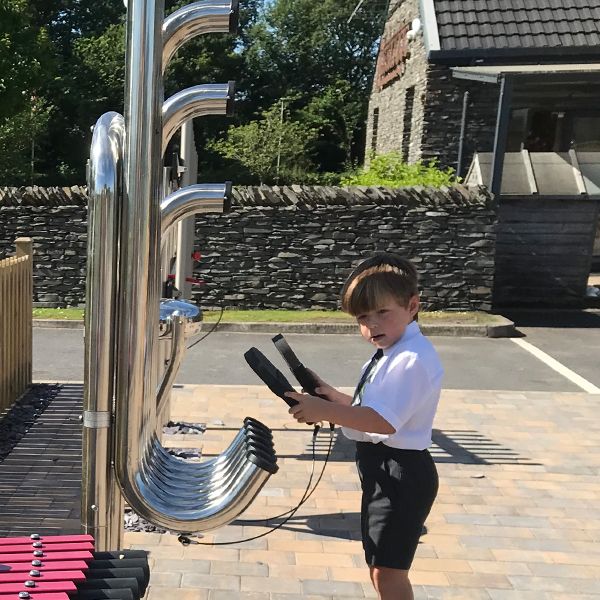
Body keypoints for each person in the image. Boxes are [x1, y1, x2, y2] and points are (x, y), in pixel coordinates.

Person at [285, 253, 443, 600]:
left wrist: (323, 409)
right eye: (362, 318)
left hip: (402, 474)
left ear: (413, 305)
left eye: (382, 313)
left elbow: (382, 422)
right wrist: (334, 399)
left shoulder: (411, 360)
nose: (372, 325)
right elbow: (374, 408)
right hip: (385, 469)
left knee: (389, 573)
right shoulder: (393, 350)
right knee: (380, 568)